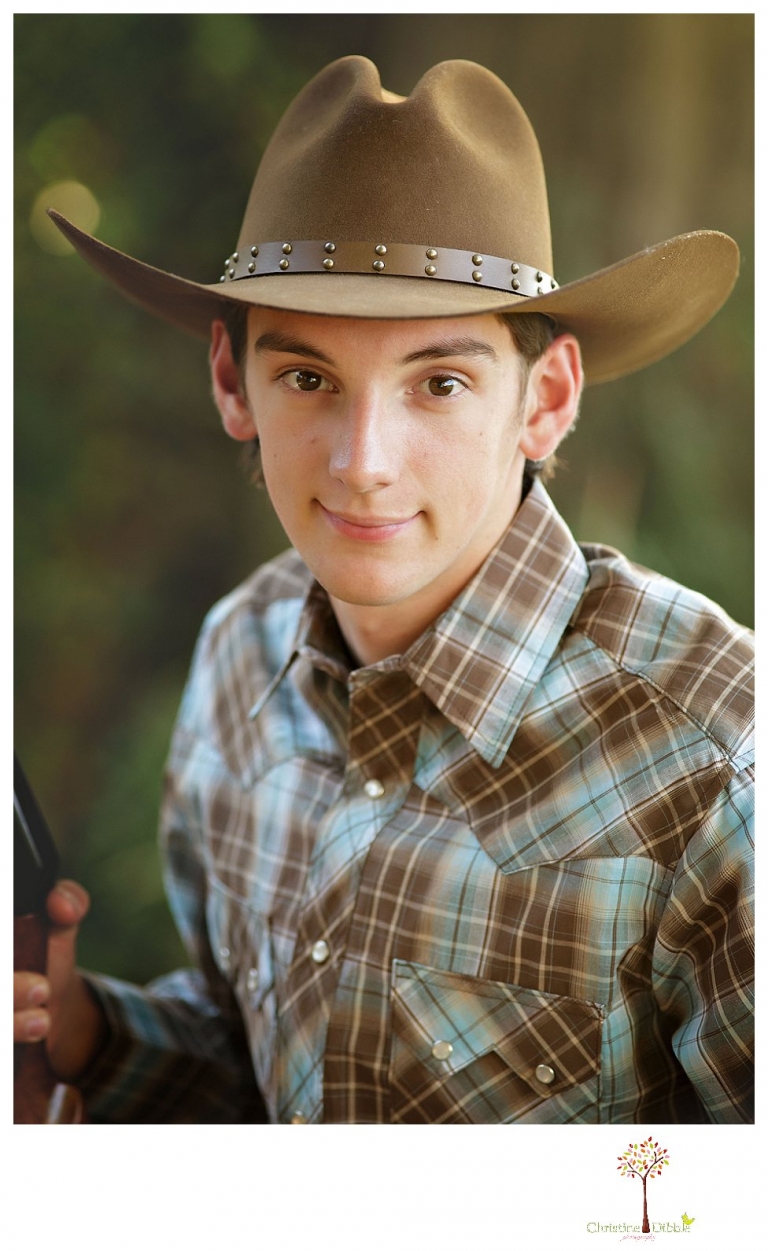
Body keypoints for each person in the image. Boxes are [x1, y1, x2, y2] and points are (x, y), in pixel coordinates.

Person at [13, 56, 753, 1124]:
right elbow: (258, 1062)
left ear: (543, 401)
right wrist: (78, 1027)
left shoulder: (717, 754)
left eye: (440, 384)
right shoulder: (238, 660)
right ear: (233, 383)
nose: (364, 461)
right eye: (308, 379)